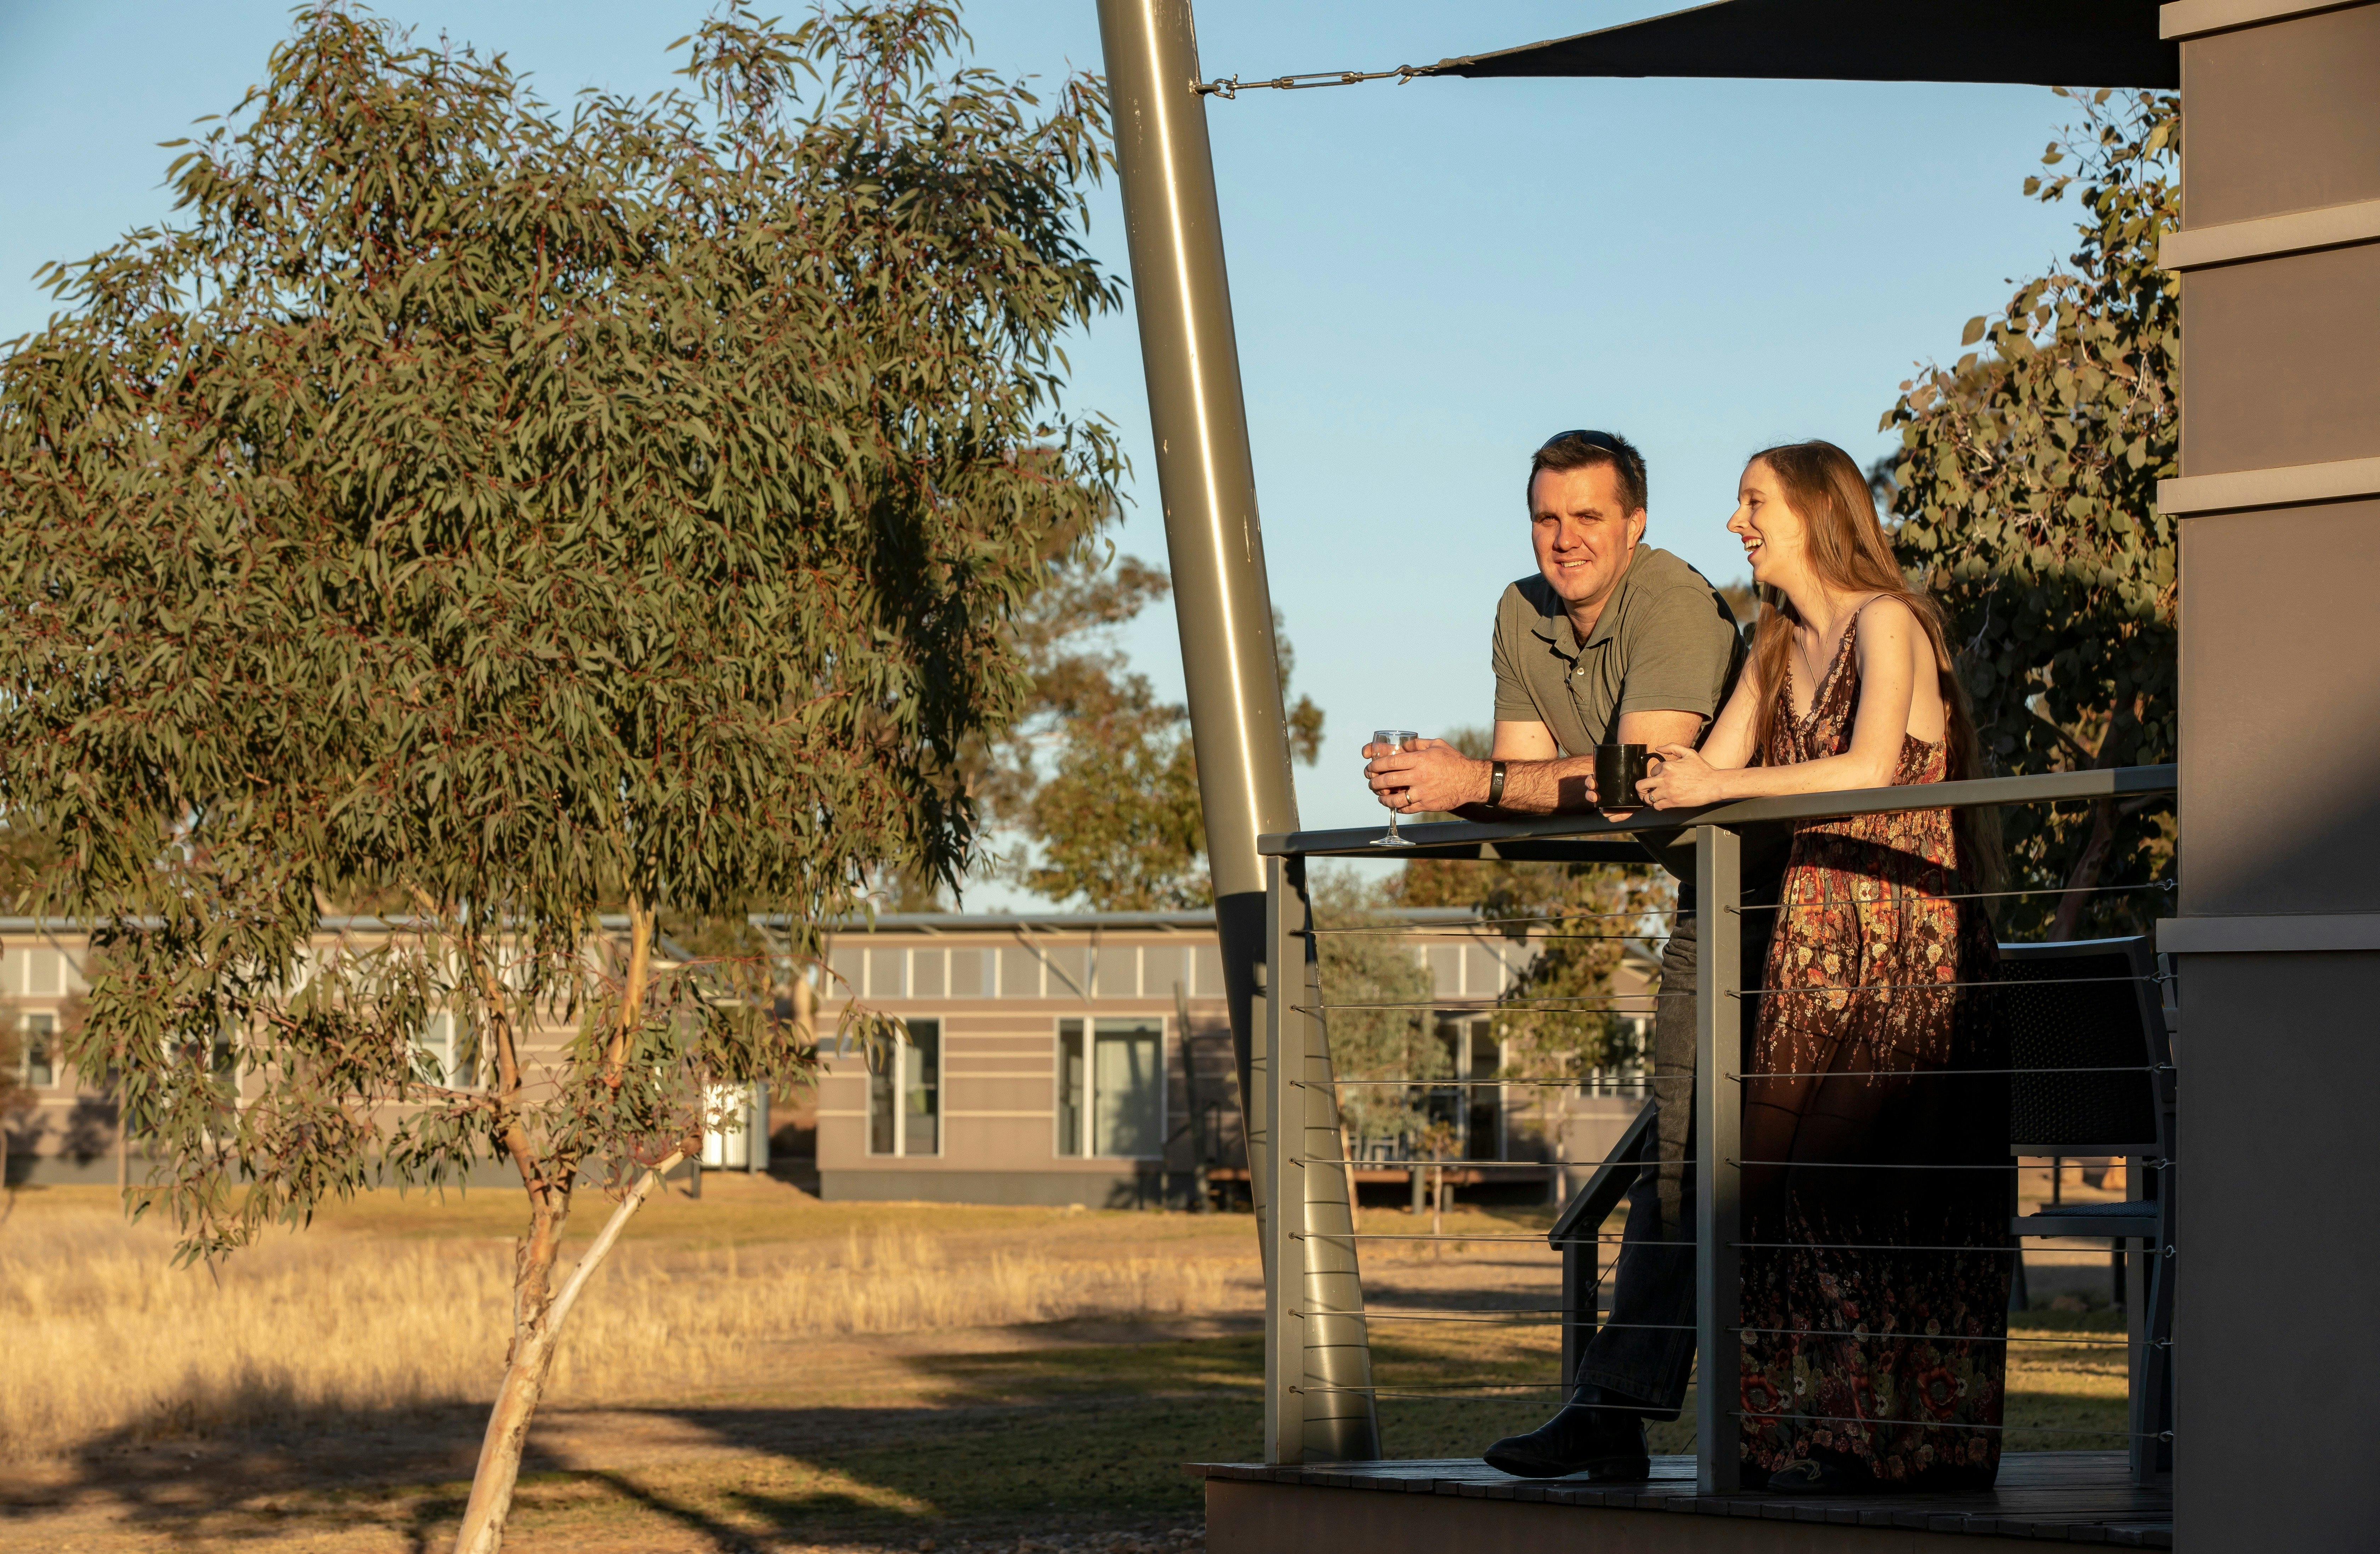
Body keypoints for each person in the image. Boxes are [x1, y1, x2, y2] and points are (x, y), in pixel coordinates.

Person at [1363, 429, 1779, 1482]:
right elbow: (1519, 789)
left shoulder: (1673, 601)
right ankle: (1616, 1411)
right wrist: (1430, 783)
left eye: (1589, 517)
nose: (1566, 539)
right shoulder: (1521, 611)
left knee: (1717, 1168)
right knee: (1685, 1162)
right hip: (1709, 899)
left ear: (1635, 524)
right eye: (1548, 517)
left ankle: (1716, 1418)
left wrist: (1480, 787)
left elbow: (1634, 779)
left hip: (1795, 893)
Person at [1638, 440, 2011, 1492]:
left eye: (1752, 501)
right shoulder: (1773, 644)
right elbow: (1712, 764)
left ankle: (1906, 1439)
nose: (1736, 522)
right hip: (1813, 942)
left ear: (1812, 511)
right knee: (1773, 1185)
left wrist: (1716, 785)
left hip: (1906, 943)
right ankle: (1799, 1433)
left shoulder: (1889, 620)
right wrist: (1653, 776)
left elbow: (1868, 768)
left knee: (1874, 1192)